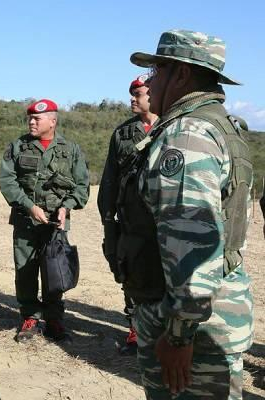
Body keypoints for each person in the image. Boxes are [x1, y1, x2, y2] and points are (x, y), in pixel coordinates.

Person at [119, 30, 253, 399]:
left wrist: (179, 335)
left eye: (156, 71)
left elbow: (192, 244)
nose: (150, 82)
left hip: (189, 328)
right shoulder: (219, 126)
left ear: (180, 74)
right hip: (209, 317)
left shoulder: (187, 136)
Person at [0, 99, 89, 342]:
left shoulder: (71, 149)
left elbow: (82, 186)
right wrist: (29, 207)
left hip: (55, 225)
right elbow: (7, 181)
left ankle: (54, 319)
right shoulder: (18, 146)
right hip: (26, 222)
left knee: (54, 271)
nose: (31, 122)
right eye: (30, 118)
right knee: (25, 271)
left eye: (37, 119)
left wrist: (66, 207)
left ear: (53, 121)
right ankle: (30, 317)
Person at [97, 74, 158, 355]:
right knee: (131, 272)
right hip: (131, 220)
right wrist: (108, 218)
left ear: (152, 94)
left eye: (138, 94)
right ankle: (136, 329)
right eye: (131, 94)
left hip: (163, 219)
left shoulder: (172, 127)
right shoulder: (122, 133)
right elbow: (109, 179)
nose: (133, 99)